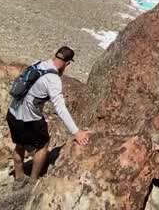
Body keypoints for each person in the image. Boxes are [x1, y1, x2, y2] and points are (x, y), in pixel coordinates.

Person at [6, 46, 93, 181]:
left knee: (19, 144)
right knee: (43, 144)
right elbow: (60, 108)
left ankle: (18, 177)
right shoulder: (54, 80)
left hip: (12, 112)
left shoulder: (38, 64)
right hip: (29, 119)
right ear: (67, 64)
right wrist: (76, 132)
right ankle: (33, 179)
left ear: (55, 55)